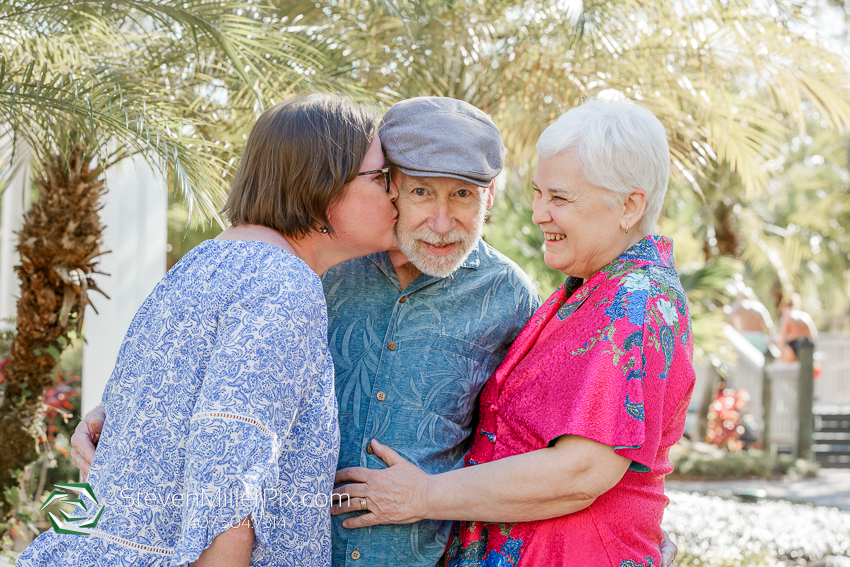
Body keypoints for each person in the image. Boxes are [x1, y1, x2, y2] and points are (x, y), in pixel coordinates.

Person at [72, 97, 679, 567]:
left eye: (463, 196)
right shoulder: (323, 267)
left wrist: (426, 499)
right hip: (295, 549)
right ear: (388, 184)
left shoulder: (517, 298)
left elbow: (559, 447)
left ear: (490, 197)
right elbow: (232, 367)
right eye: (420, 192)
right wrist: (130, 408)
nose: (441, 222)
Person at [22, 93, 399, 567]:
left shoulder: (201, 262)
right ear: (321, 183)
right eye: (380, 176)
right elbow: (227, 468)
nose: (396, 192)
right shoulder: (283, 283)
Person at [330, 99, 695, 567]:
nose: (539, 212)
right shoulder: (586, 295)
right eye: (539, 192)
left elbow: (583, 471)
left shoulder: (635, 303)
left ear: (630, 206)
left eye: (559, 198)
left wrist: (423, 495)